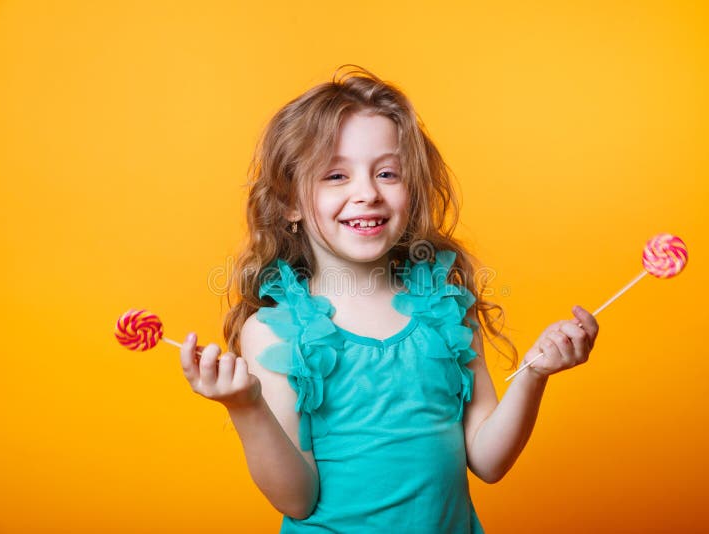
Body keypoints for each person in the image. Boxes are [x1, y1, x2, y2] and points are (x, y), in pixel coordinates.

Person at [180, 65, 599, 533]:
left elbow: (488, 461)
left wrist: (534, 375)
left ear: (411, 191)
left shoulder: (447, 311)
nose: (367, 193)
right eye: (335, 175)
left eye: (387, 173)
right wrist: (246, 406)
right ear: (289, 204)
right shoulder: (274, 333)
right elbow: (297, 500)